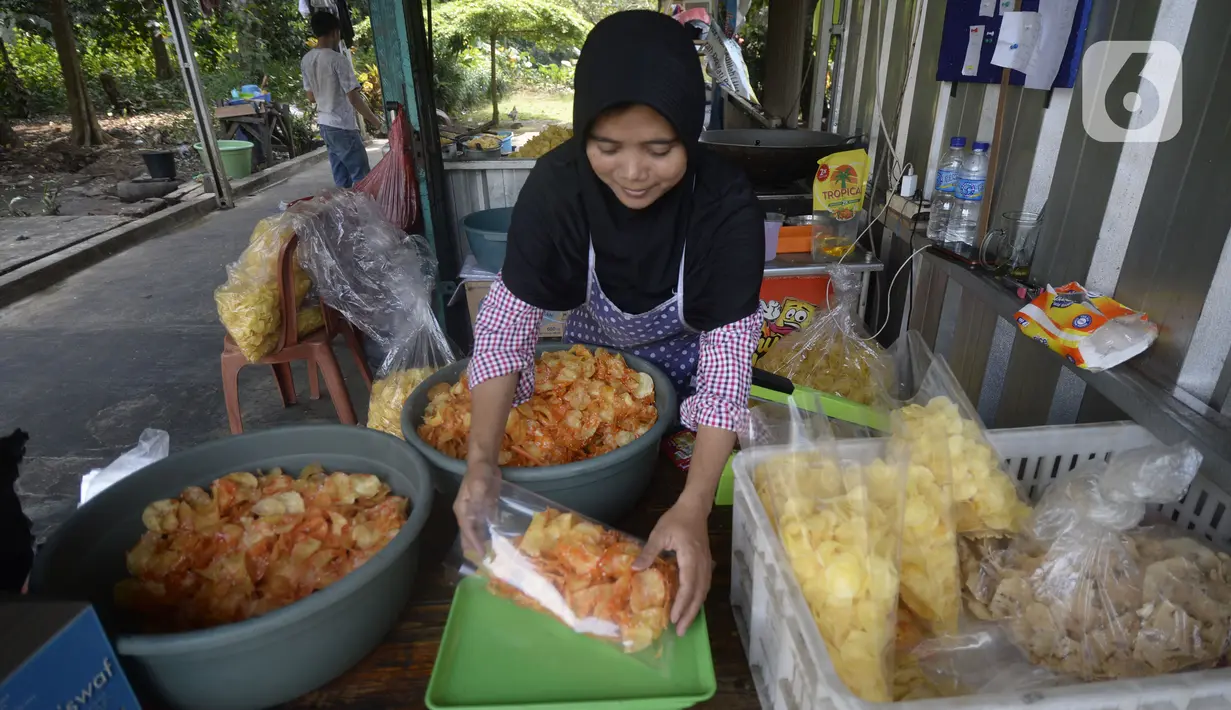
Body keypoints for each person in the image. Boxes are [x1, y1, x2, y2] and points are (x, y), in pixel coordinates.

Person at [455, 10, 765, 636]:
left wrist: (694, 508)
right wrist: (482, 463)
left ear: (690, 130)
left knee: (675, 513)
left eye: (659, 149)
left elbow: (727, 370)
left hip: (696, 394)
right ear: (582, 133)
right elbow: (504, 329)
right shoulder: (558, 188)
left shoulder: (724, 204)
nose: (632, 173)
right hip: (602, 383)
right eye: (607, 147)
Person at [302, 11, 382, 188]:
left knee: (342, 180)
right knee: (362, 179)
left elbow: (311, 97)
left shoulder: (306, 60)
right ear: (335, 32)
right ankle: (364, 215)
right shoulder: (337, 60)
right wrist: (377, 123)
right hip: (342, 126)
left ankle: (345, 214)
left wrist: (326, 91)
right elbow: (354, 99)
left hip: (325, 125)